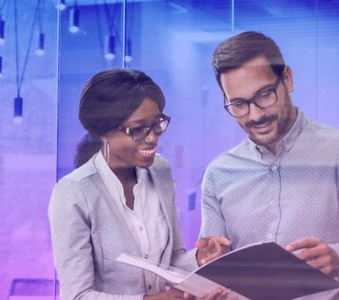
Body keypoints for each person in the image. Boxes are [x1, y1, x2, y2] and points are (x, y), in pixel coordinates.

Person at [199, 31, 339, 299]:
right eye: (239, 104)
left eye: (265, 95)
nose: (255, 115)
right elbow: (214, 263)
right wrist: (206, 272)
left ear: (287, 79)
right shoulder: (219, 173)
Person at [48, 69, 231, 300]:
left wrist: (199, 258)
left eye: (157, 124)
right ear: (103, 130)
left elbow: (171, 261)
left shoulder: (160, 171)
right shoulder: (73, 193)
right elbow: (78, 296)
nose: (153, 137)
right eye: (137, 129)